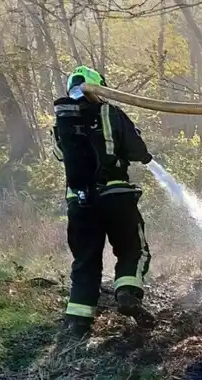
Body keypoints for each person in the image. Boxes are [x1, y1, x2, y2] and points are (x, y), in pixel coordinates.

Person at [52, 65, 154, 341]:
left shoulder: (62, 123)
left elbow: (63, 156)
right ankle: (127, 293)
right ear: (99, 88)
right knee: (134, 249)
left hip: (79, 202)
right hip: (116, 195)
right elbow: (137, 150)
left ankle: (77, 324)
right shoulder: (110, 112)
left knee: (85, 262)